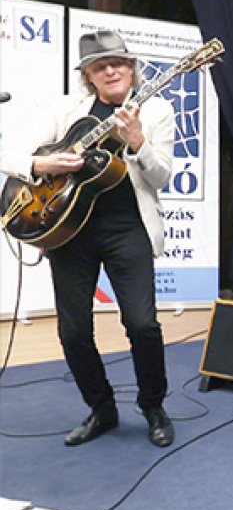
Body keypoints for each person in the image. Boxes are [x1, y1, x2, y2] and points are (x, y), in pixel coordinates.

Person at [0, 30, 176, 447]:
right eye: (100, 66)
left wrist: (138, 142)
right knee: (74, 332)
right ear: (89, 76)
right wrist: (42, 164)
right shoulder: (67, 110)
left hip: (127, 229)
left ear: (131, 69)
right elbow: (10, 155)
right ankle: (102, 409)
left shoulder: (157, 110)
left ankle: (153, 406)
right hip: (69, 231)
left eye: (118, 63)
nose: (111, 70)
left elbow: (162, 176)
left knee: (142, 325)